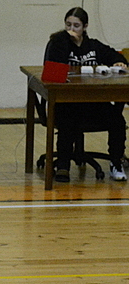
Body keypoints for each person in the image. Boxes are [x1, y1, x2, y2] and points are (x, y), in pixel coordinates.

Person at [44, 6, 128, 183]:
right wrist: (64, 39)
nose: (71, 29)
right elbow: (53, 66)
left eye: (76, 26)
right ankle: (63, 165)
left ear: (85, 27)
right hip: (67, 102)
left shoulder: (94, 46)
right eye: (68, 25)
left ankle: (116, 162)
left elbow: (114, 55)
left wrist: (119, 62)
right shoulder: (58, 44)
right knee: (67, 120)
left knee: (117, 120)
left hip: (93, 103)